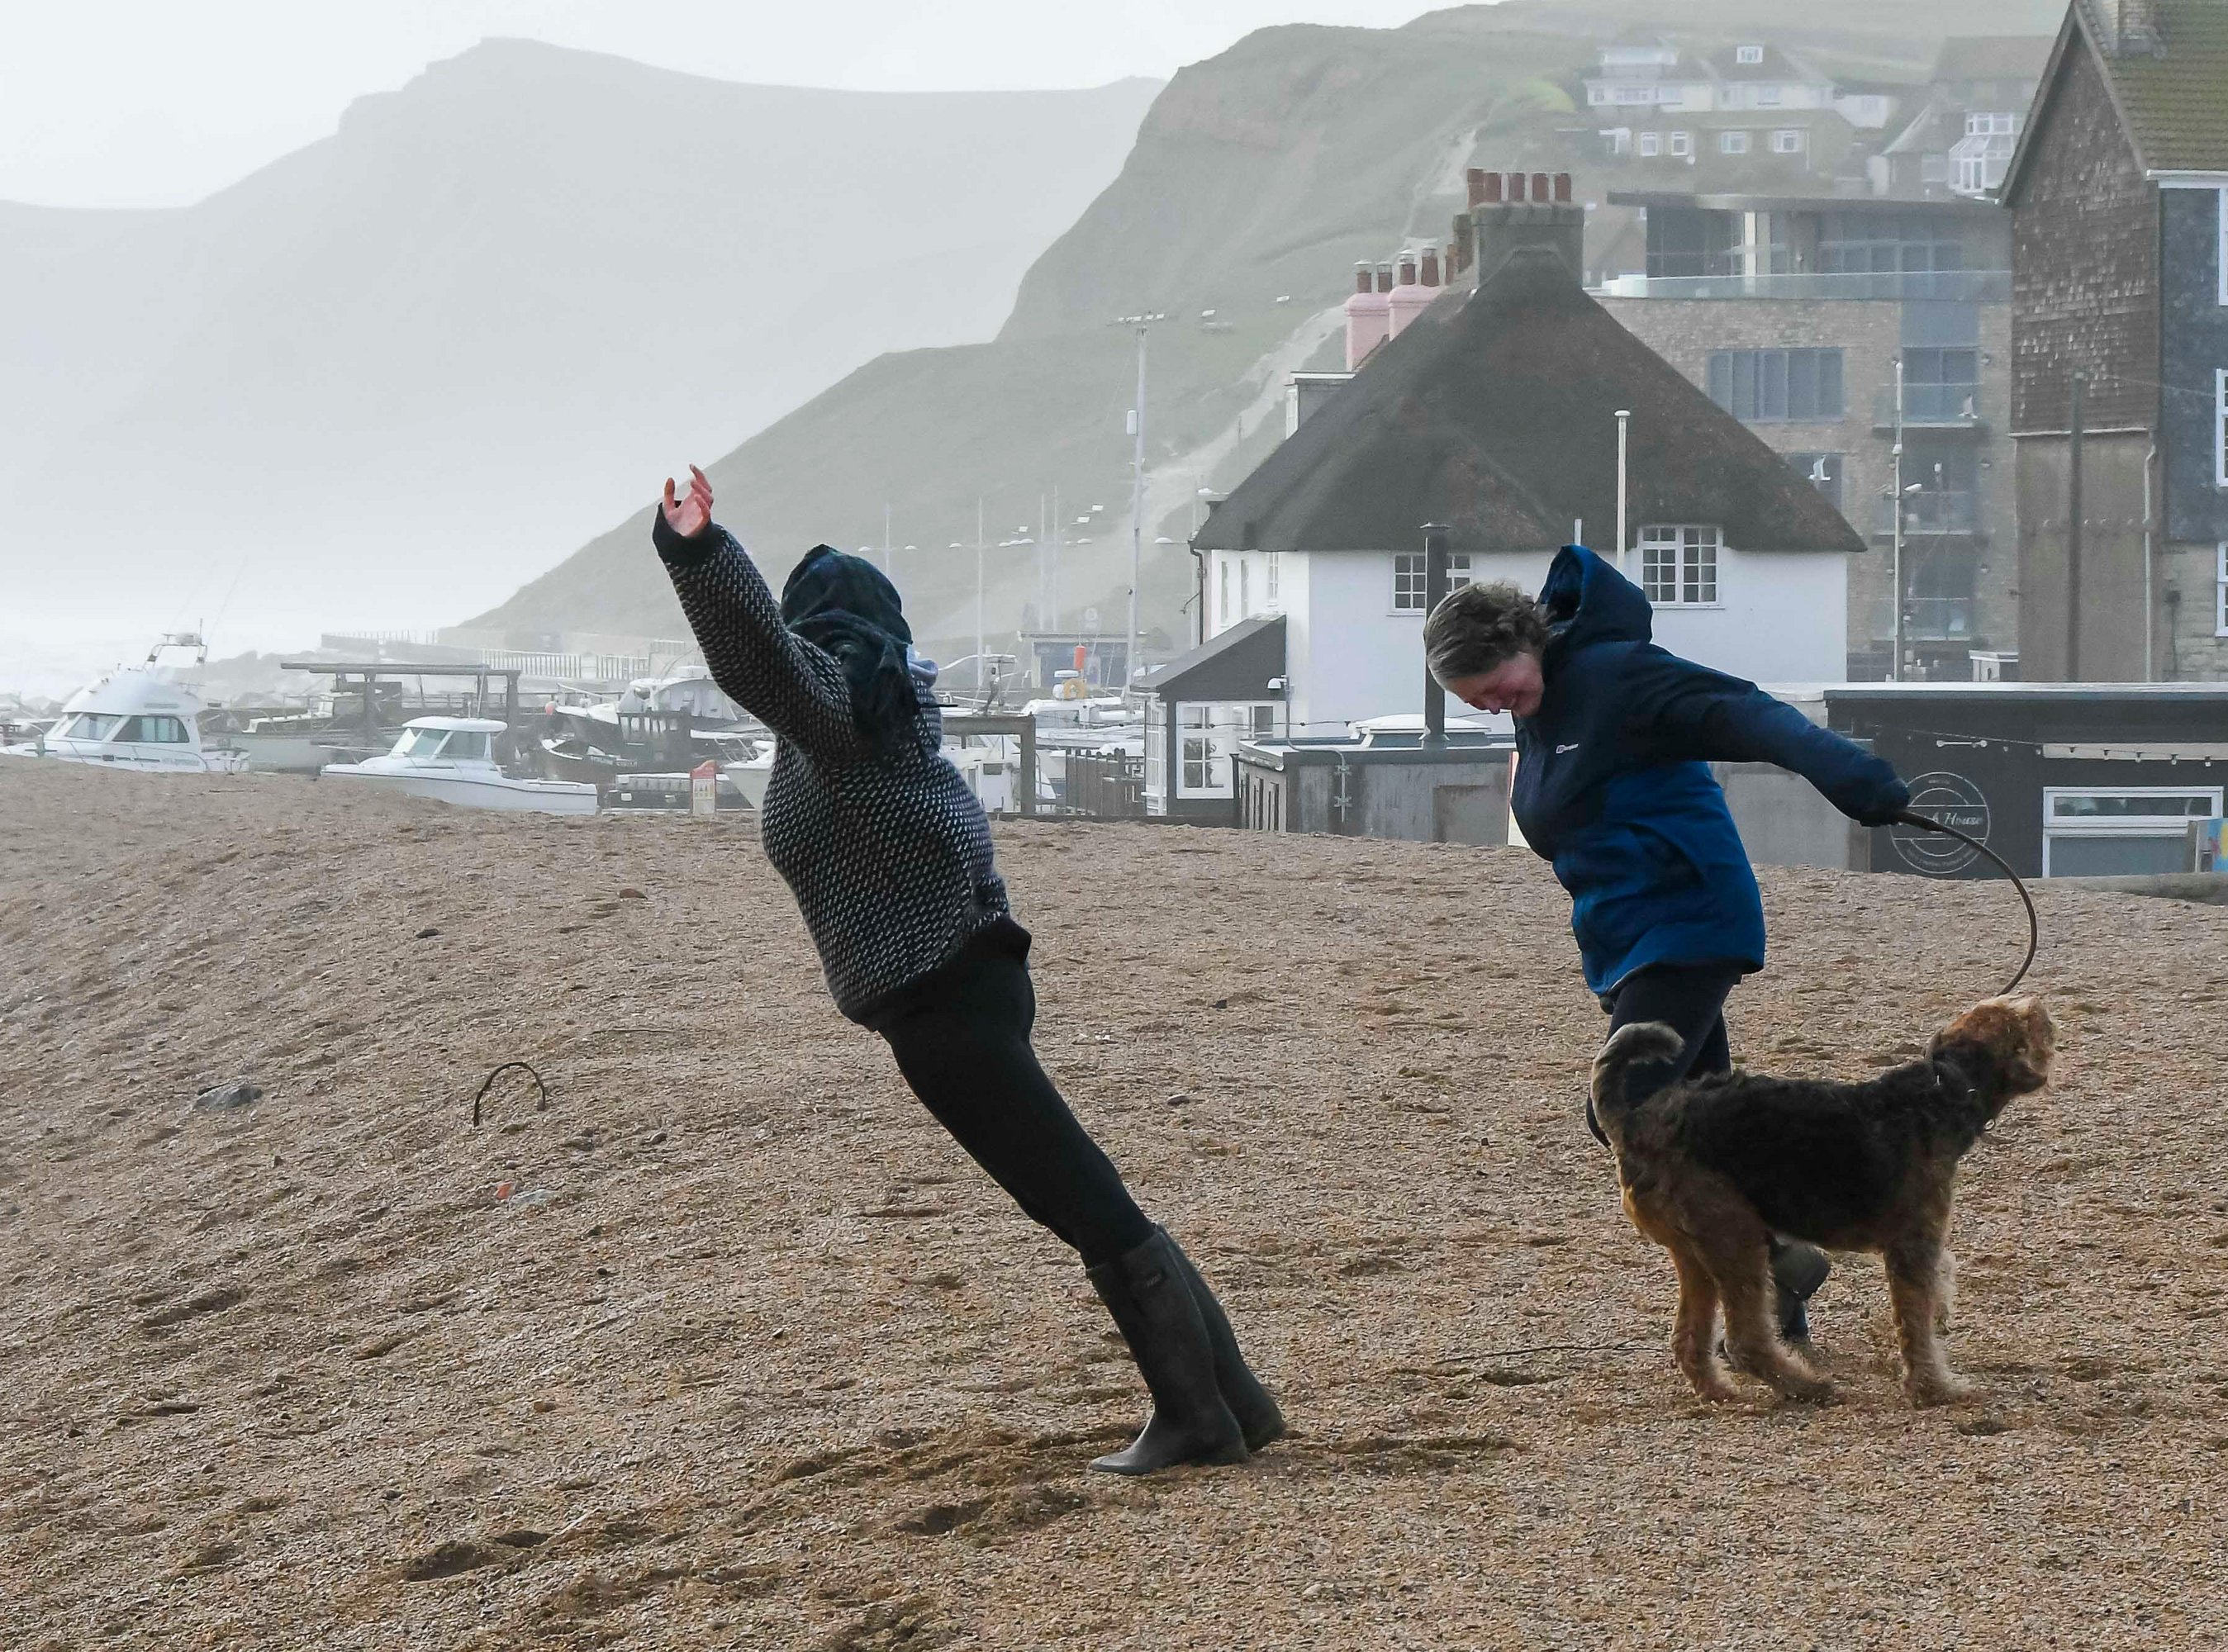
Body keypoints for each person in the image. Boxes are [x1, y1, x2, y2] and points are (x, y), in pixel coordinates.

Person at [650, 465, 1280, 1474]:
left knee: (1083, 1201)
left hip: (943, 1001)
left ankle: (1198, 1417)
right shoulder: (874, 716)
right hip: (960, 984)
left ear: (823, 636)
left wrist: (697, 554)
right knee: (1084, 1188)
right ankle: (1236, 1401)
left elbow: (758, 658)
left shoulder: (841, 716)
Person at [1425, 544, 1913, 1340]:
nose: (1495, 706)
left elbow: (1751, 714)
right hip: (1623, 942)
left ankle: (1775, 1260)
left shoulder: (1620, 674)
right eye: (1478, 703)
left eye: (1494, 687)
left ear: (1523, 643)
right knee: (1710, 1121)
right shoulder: (1538, 710)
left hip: (1689, 919)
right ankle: (1781, 1286)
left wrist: (1858, 783)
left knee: (1623, 1103)